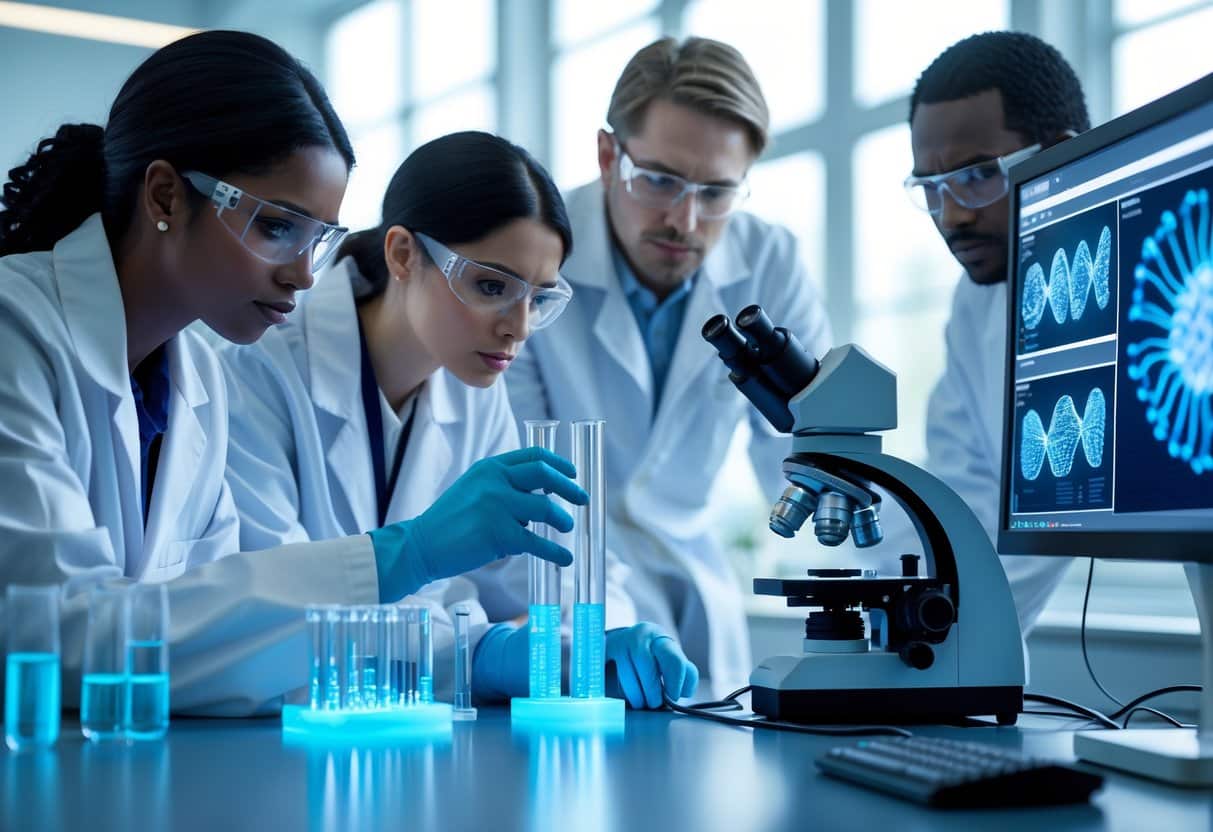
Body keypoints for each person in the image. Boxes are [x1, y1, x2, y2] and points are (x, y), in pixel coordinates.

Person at [0, 32, 579, 716]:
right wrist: (404, 555)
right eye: (277, 226)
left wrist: (480, 653)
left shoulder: (200, 380)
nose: (304, 274)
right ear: (164, 196)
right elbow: (57, 630)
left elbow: (221, 634)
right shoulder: (16, 332)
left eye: (318, 240)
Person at [219, 131, 698, 708]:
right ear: (402, 254)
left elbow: (557, 566)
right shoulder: (261, 374)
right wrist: (483, 651)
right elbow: (276, 621)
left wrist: (588, 642)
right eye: (492, 286)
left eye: (539, 298)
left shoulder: (472, 394)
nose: (517, 327)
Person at [506, 37, 833, 696]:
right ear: (607, 157)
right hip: (562, 578)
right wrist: (595, 629)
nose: (684, 220)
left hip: (696, 587)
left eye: (716, 192)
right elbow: (523, 475)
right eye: (658, 180)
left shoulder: (768, 260)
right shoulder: (534, 252)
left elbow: (810, 447)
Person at [898, 31, 1092, 634]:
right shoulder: (974, 305)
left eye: (978, 175)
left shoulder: (1136, 284)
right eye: (930, 188)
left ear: (1058, 155)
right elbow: (966, 505)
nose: (952, 214)